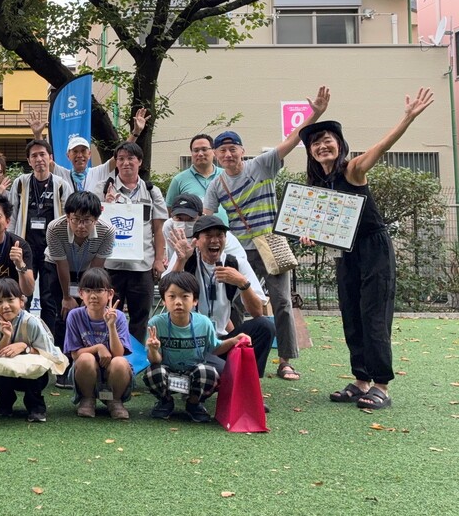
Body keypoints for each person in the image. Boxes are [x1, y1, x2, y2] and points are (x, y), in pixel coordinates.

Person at [298, 87, 434, 410]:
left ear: (339, 144)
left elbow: (382, 147)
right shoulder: (318, 185)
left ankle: (381, 385)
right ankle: (361, 380)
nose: (322, 146)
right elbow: (319, 225)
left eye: (327, 140)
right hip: (346, 252)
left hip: (374, 248)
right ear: (311, 152)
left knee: (374, 314)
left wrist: (407, 118)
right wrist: (309, 234)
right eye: (316, 143)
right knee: (351, 313)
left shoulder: (353, 169)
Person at [203, 87, 330, 382]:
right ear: (216, 156)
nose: (228, 154)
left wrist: (315, 114)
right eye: (222, 150)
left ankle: (285, 361)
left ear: (242, 150)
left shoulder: (262, 164)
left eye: (232, 148)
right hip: (238, 249)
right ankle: (236, 351)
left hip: (271, 243)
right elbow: (206, 219)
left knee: (282, 302)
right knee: (233, 301)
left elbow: (293, 139)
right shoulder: (216, 185)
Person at [166, 215, 275, 379]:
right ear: (197, 240)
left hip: (221, 341)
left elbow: (257, 312)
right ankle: (215, 374)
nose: (215, 240)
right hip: (189, 340)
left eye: (220, 235)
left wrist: (242, 283)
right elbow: (166, 294)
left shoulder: (236, 263)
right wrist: (181, 261)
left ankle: (249, 382)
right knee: (222, 373)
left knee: (264, 326)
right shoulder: (185, 256)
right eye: (208, 236)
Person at [143, 272, 250, 422]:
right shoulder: (156, 323)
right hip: (167, 371)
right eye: (172, 296)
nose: (178, 302)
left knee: (209, 372)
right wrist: (154, 349)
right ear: (164, 301)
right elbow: (155, 361)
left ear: (195, 300)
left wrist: (233, 340)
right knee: (153, 372)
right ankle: (165, 402)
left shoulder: (204, 322)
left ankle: (194, 403)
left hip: (194, 372)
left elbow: (215, 348)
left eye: (185, 296)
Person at [96, 140, 169, 342]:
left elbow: (158, 229)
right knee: (109, 314)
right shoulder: (102, 189)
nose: (125, 162)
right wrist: (106, 206)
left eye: (131, 158)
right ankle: (112, 354)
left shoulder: (152, 191)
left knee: (140, 317)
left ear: (140, 162)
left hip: (142, 266)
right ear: (116, 162)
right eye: (121, 159)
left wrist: (158, 259)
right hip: (111, 265)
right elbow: (93, 224)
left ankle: (135, 356)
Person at [42, 191, 116, 388]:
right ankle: (62, 367)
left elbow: (97, 267)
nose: (81, 226)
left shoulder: (107, 231)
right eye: (76, 220)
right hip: (58, 267)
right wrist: (67, 296)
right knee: (61, 315)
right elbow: (62, 264)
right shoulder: (55, 228)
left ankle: (87, 363)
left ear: (96, 219)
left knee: (86, 314)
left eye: (87, 220)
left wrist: (87, 296)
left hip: (88, 269)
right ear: (68, 216)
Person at [0, 278, 66, 423]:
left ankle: (36, 406)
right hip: (6, 374)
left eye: (10, 300)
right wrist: (6, 337)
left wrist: (24, 347)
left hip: (32, 375)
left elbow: (49, 353)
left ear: (21, 301)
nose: (5, 306)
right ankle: (5, 401)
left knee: (35, 377)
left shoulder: (31, 322)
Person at [63, 268, 133, 419]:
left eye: (99, 290)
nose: (93, 296)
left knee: (120, 362)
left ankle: (115, 401)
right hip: (85, 371)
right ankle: (87, 399)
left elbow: (119, 354)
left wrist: (111, 326)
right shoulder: (74, 316)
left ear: (110, 293)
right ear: (81, 293)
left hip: (112, 370)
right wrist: (98, 347)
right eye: (88, 290)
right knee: (85, 358)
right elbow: (75, 354)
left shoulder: (119, 316)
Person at [27, 109, 147, 192]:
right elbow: (45, 160)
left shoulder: (99, 172)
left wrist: (136, 132)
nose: (79, 155)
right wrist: (37, 135)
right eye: (75, 151)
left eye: (83, 151)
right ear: (68, 155)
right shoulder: (62, 174)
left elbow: (120, 155)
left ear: (89, 154)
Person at [8, 139, 73, 285]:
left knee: (49, 292)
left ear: (50, 158)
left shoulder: (61, 185)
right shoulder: (20, 183)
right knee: (23, 290)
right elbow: (12, 215)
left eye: (42, 154)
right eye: (34, 156)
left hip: (51, 248)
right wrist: (11, 242)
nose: (39, 159)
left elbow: (69, 218)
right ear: (29, 161)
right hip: (26, 246)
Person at [162, 194, 248, 268]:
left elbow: (237, 264)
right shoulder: (169, 226)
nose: (184, 223)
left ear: (201, 216)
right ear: (172, 216)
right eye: (179, 218)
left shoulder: (217, 233)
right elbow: (173, 257)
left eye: (191, 219)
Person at [165, 134, 228, 225]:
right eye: (196, 150)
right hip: (192, 232)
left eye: (204, 149)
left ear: (214, 152)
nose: (200, 154)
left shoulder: (226, 175)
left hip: (226, 231)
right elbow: (169, 210)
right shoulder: (179, 180)